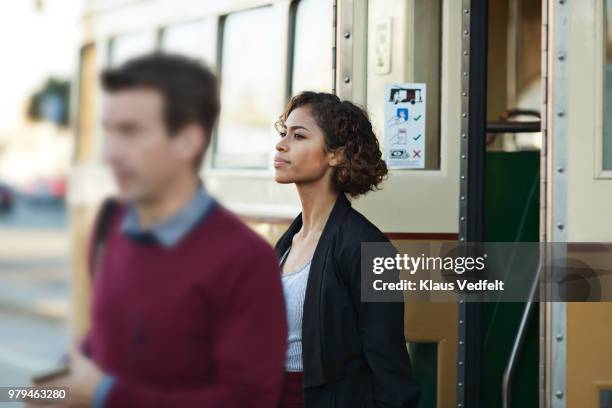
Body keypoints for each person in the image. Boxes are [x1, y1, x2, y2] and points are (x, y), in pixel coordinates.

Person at [32, 53, 287, 407]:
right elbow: (107, 338)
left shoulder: (246, 260)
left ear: (188, 141)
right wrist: (60, 382)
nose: (111, 153)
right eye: (109, 132)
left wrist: (105, 394)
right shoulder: (111, 221)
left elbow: (246, 400)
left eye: (131, 132)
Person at [273, 92, 421, 408]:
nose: (281, 144)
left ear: (336, 155)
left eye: (298, 136)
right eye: (283, 132)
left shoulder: (370, 249)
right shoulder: (286, 245)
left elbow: (391, 370)